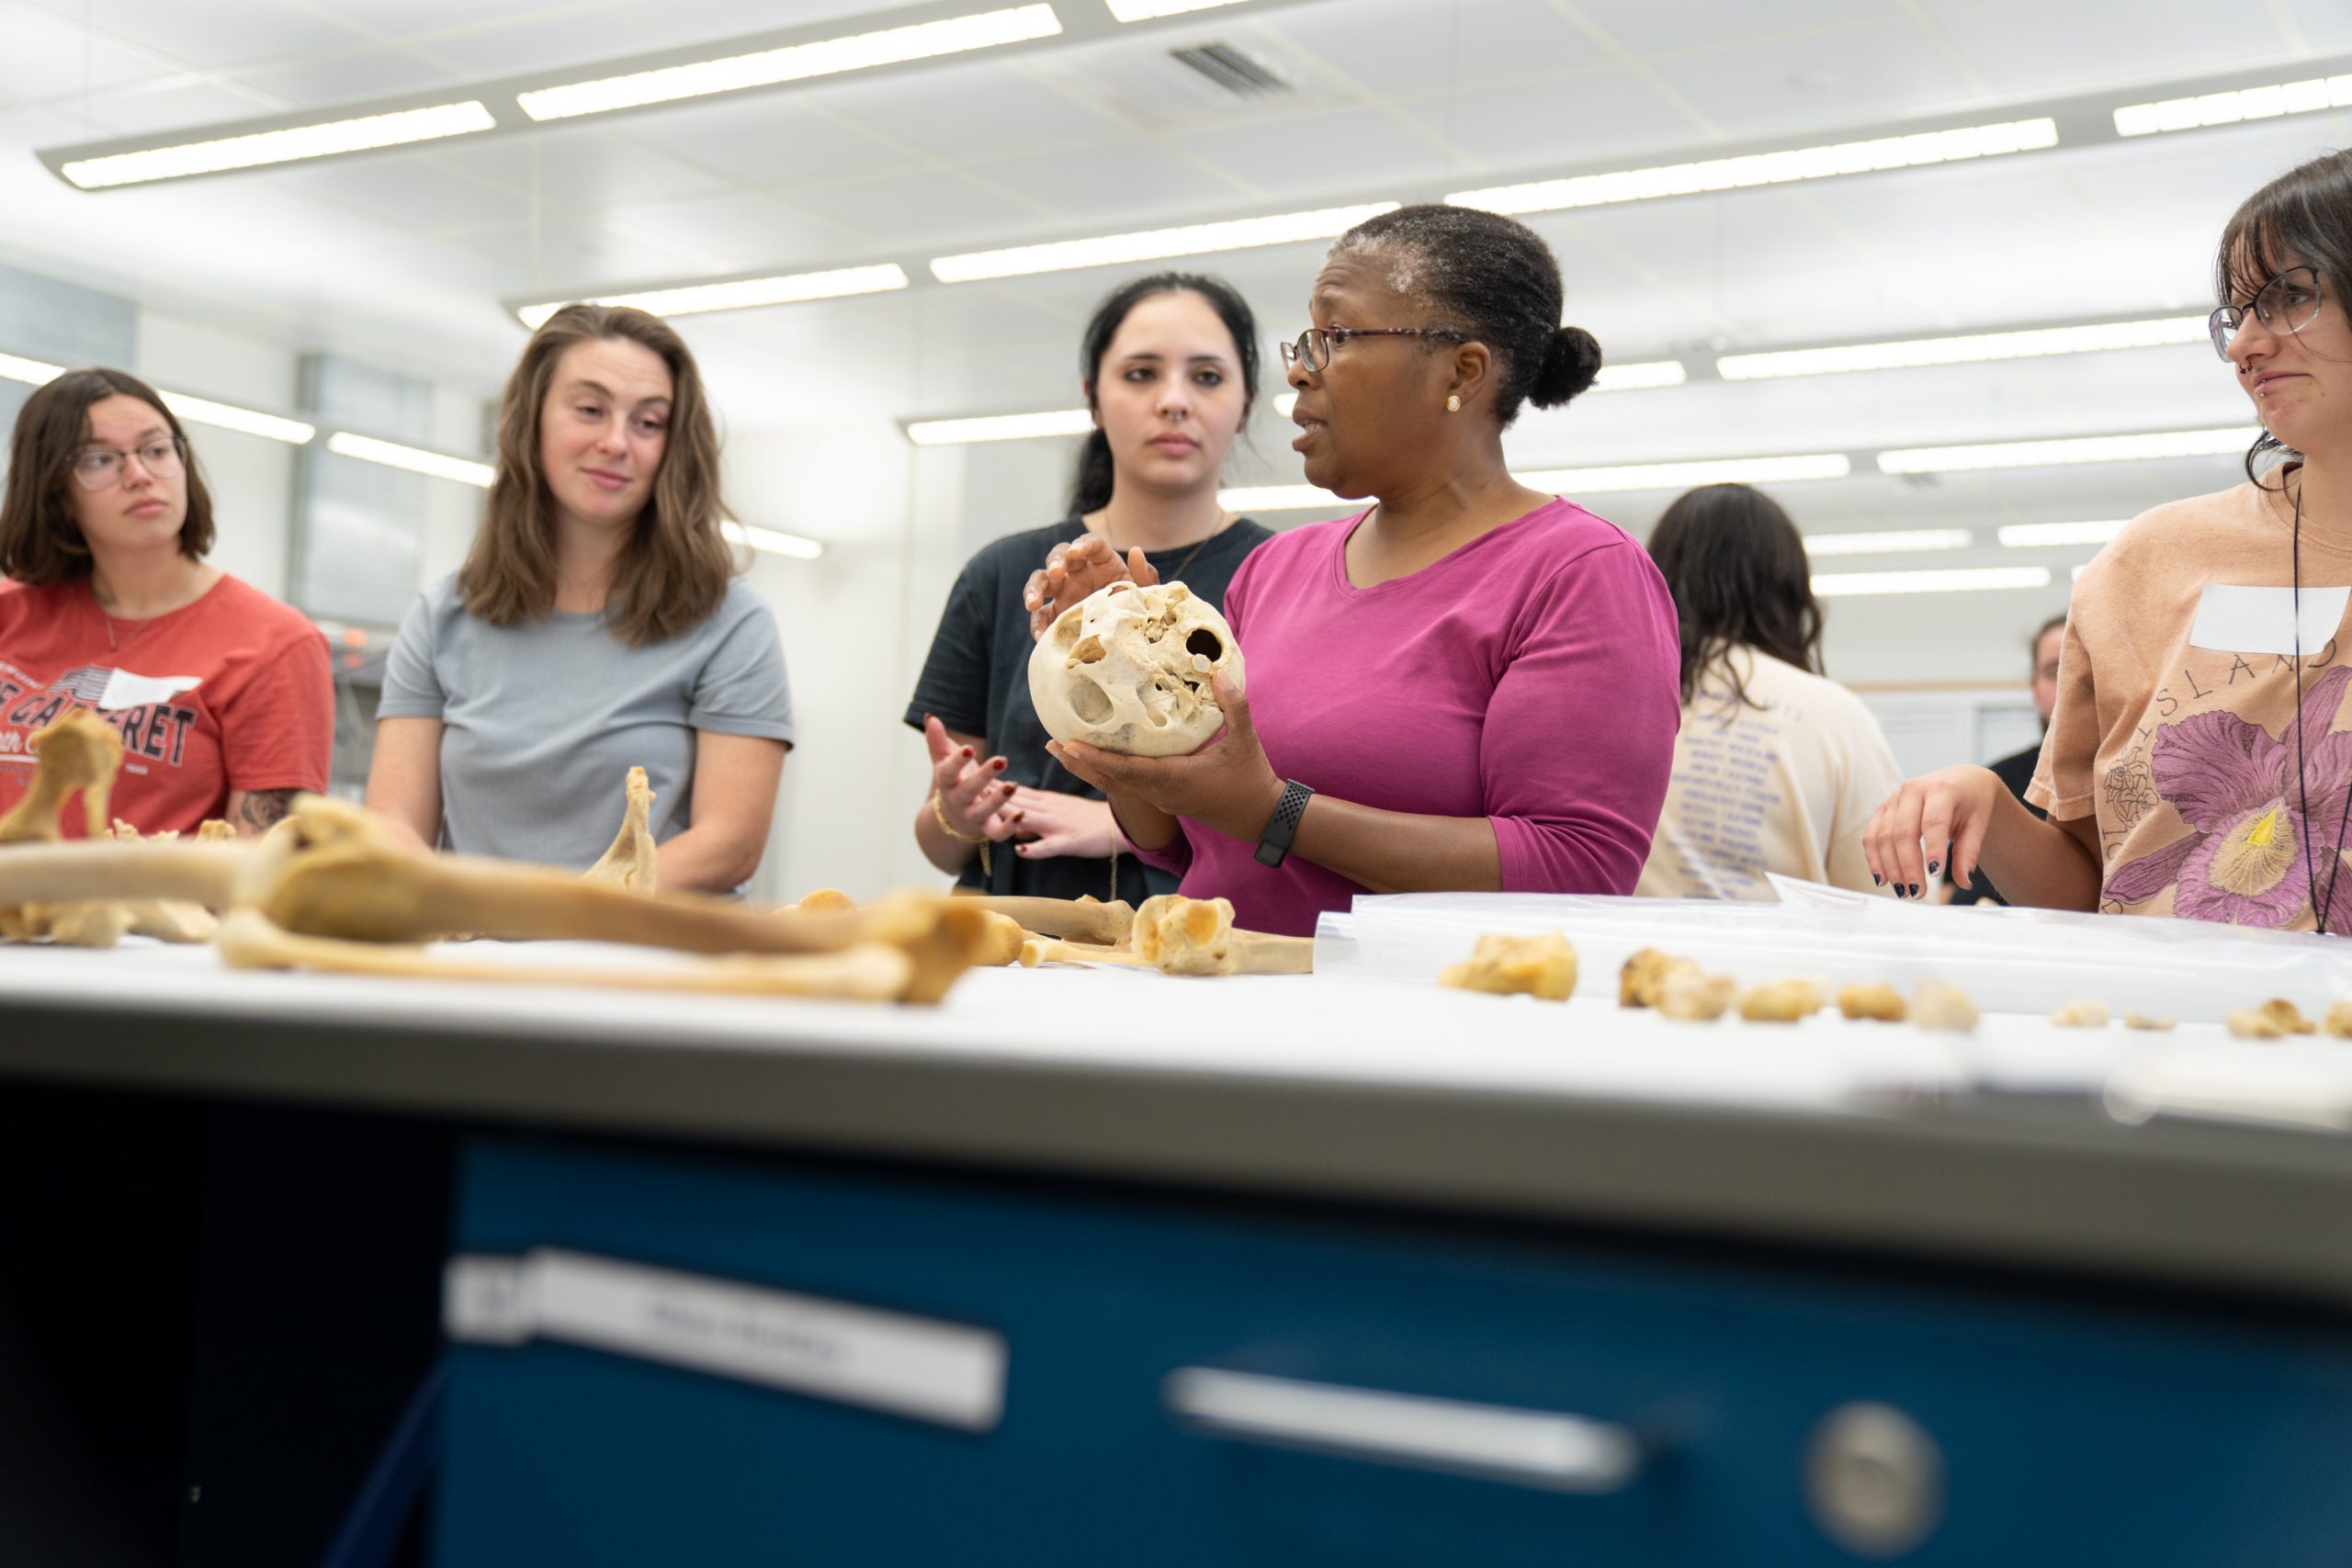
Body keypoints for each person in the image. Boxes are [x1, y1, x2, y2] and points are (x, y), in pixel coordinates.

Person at [1043, 204, 1683, 937]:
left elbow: (1577, 868)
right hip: (1221, 1009)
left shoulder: (1580, 574)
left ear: (1462, 371)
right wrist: (1122, 678)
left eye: (1335, 336)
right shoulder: (1273, 570)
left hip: (1409, 1035)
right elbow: (1181, 841)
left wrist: (1273, 808)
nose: (1298, 368)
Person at [1867, 148, 2352, 930]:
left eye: (2290, 296)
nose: (2243, 346)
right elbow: (2097, 885)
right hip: (2169, 1031)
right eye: (2235, 314)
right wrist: (1988, 802)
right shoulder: (2146, 566)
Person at [367, 304, 791, 891]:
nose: (617, 442)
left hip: (648, 966)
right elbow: (392, 822)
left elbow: (728, 844)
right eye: (590, 410)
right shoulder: (442, 618)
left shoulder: (731, 623)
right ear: (532, 421)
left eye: (648, 423)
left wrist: (558, 917)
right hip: (475, 961)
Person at [906, 273, 1271, 902]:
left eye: (1207, 377)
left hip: (1195, 938)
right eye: (1140, 374)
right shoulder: (1000, 574)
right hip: (1015, 942)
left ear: (1244, 402)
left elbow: (1290, 819)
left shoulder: (1283, 574)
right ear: (1093, 399)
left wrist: (1126, 826)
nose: (1174, 400)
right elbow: (944, 847)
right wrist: (958, 814)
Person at [0, 368, 330, 836]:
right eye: (99, 460)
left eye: (156, 450)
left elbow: (261, 870)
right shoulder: (9, 614)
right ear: (56, 493)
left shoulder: (275, 644)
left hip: (152, 910)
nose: (139, 475)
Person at [1634, 483, 1901, 900]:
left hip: (1619, 962)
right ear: (1789, 588)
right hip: (1780, 965)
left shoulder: (1611, 697)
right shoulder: (1834, 714)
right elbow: (1887, 898)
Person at [1953, 613, 2065, 906]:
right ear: (2034, 688)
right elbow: (1958, 897)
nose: (2069, 683)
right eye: (2055, 672)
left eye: (2085, 667)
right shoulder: (1995, 784)